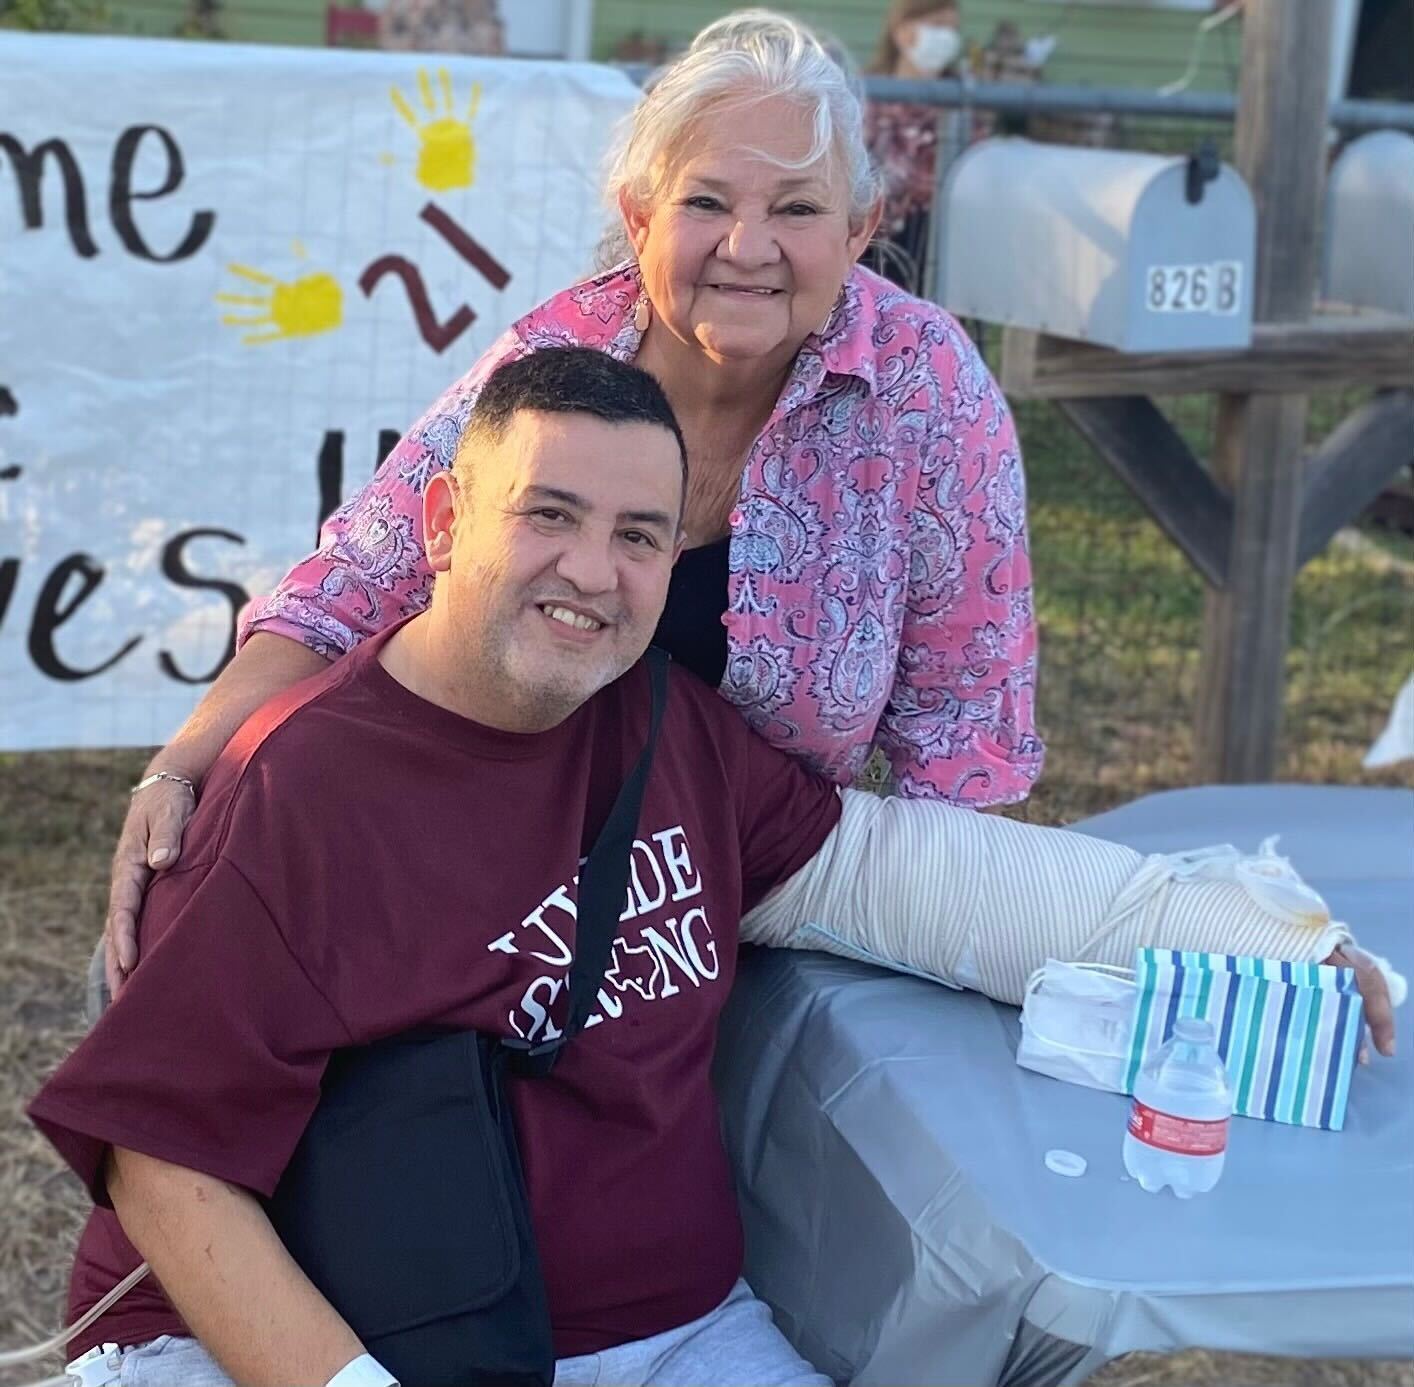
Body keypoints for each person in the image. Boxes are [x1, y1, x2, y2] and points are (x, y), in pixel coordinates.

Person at [32, 350, 1396, 1387]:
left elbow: (921, 880)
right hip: (336, 1329)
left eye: (637, 535)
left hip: (668, 1334)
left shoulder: (664, 725)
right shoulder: (300, 787)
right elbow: (165, 1164)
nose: (592, 571)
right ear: (445, 519)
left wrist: (1260, 936)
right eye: (545, 514)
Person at [104, 10, 1045, 997]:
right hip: (499, 844)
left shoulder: (926, 388)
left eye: (798, 211)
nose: (747, 246)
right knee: (198, 918)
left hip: (760, 885)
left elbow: (964, 734)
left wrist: (945, 959)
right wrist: (183, 766)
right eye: (706, 201)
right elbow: (355, 582)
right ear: (641, 219)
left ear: (859, 231)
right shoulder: (558, 362)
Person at [864, 0, 967, 293]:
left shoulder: (960, 103)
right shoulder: (864, 94)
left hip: (933, 241)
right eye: (937, 27)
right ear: (902, 31)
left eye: (953, 29)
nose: (946, 38)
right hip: (870, 240)